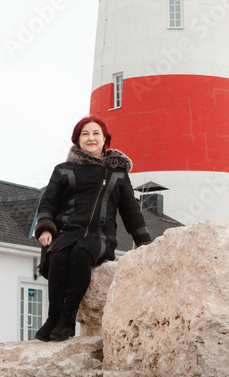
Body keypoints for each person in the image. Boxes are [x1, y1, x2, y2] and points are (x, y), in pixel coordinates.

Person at [34, 115, 152, 342]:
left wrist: (144, 241)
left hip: (100, 236)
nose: (91, 138)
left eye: (96, 133)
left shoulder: (117, 172)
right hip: (66, 233)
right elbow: (48, 202)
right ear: (77, 140)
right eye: (85, 134)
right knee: (58, 258)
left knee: (80, 254)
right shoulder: (63, 170)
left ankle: (67, 318)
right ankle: (53, 318)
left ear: (105, 139)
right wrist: (45, 228)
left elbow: (130, 211)